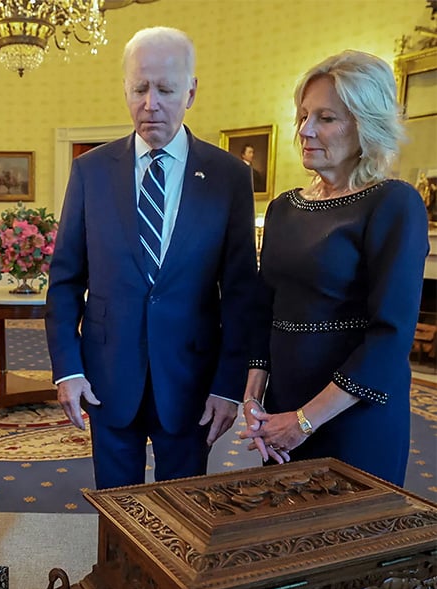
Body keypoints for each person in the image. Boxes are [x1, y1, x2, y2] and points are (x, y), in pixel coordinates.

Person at [45, 27, 257, 490]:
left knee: (183, 513)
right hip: (106, 376)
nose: (150, 103)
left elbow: (241, 295)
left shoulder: (229, 177)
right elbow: (64, 281)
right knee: (116, 508)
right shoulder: (90, 172)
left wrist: (227, 385)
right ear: (125, 88)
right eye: (139, 88)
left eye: (165, 89)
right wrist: (69, 368)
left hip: (191, 381)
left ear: (191, 92)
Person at [239, 50, 429, 486]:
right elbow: (263, 309)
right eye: (303, 115)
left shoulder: (394, 203)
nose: (305, 130)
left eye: (325, 118)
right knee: (288, 534)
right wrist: (253, 396)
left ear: (366, 125)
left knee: (348, 544)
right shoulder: (284, 207)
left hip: (355, 415)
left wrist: (305, 421)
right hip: (284, 406)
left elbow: (390, 335)